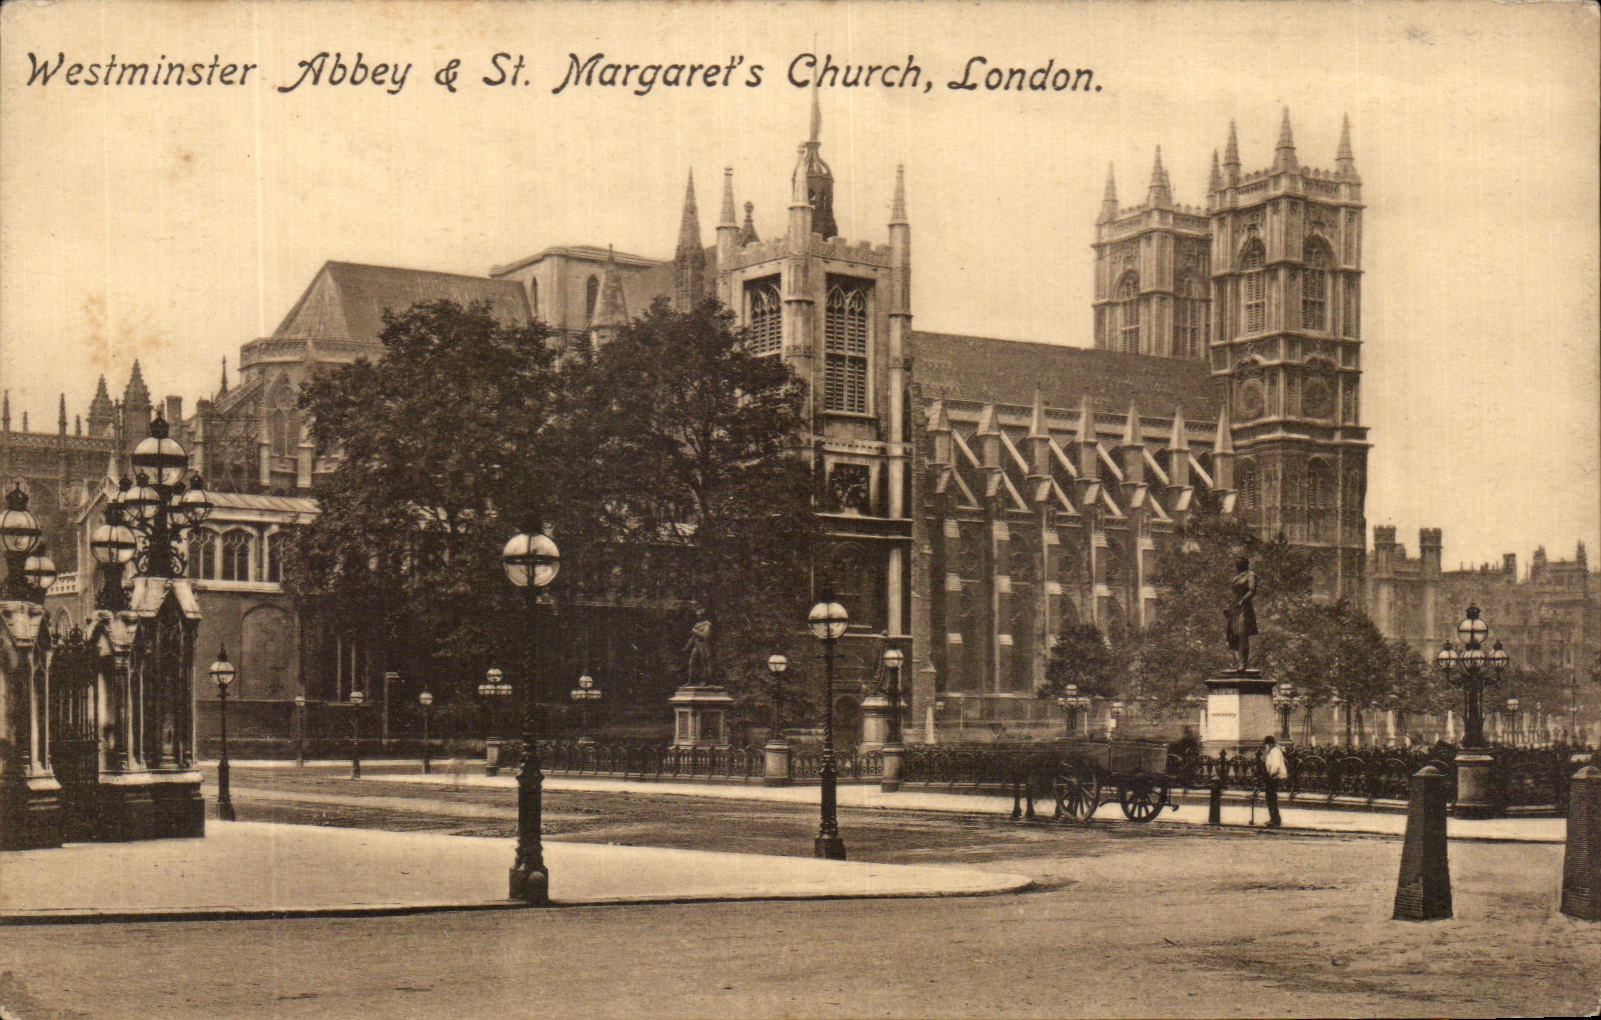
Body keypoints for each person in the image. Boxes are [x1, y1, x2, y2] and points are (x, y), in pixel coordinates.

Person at [1225, 556, 1259, 672]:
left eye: (1239, 563)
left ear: (1245, 564)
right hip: (1234, 608)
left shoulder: (1250, 575)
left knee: (1242, 635)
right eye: (1236, 563)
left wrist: (1243, 600)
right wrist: (1228, 607)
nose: (1237, 565)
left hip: (1244, 608)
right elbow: (1232, 594)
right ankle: (1236, 661)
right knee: (1233, 635)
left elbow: (1252, 590)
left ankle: (1243, 663)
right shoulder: (1236, 578)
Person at [1260, 734, 1287, 827]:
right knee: (1271, 799)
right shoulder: (1272, 751)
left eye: (1266, 744)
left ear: (1270, 744)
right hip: (1273, 777)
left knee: (1271, 799)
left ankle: (1275, 819)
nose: (1265, 746)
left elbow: (1275, 766)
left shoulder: (1275, 752)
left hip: (1274, 777)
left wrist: (1270, 775)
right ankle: (1274, 818)